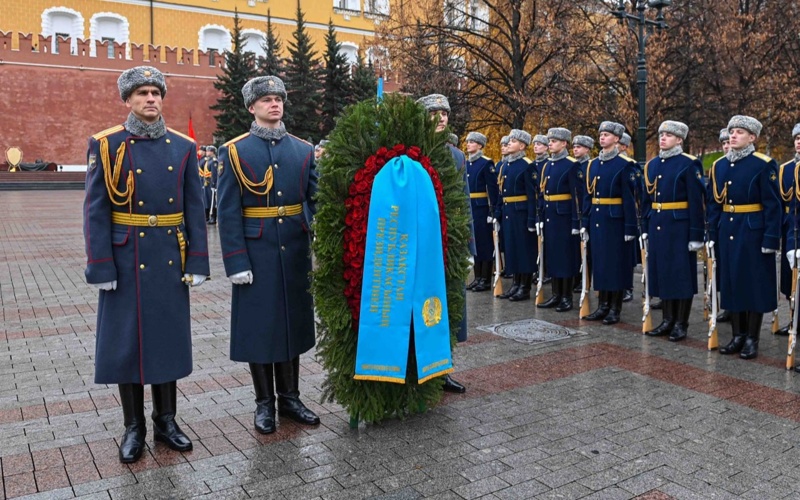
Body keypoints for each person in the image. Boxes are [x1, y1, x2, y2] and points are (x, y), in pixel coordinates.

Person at [83, 66, 209, 463]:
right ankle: (133, 426)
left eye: (156, 92)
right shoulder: (106, 145)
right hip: (126, 258)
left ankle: (166, 420)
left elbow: (194, 208)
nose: (150, 98)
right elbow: (96, 211)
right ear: (127, 100)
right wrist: (101, 265)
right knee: (127, 345)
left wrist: (199, 261)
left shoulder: (183, 146)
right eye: (142, 93)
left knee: (166, 341)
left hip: (169, 256)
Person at [217, 76, 320, 434]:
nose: (274, 104)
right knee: (261, 329)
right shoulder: (235, 151)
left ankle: (290, 398)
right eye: (266, 100)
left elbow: (316, 200)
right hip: (256, 252)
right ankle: (265, 404)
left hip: (293, 249)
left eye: (278, 99)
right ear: (252, 107)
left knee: (291, 325)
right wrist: (236, 261)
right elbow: (228, 211)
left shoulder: (302, 150)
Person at [707, 115, 781, 360]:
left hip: (752, 231)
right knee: (731, 282)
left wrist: (771, 239)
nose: (733, 135)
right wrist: (711, 234)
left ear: (752, 137)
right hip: (728, 230)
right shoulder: (719, 165)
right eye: (731, 131)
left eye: (739, 131)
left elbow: (773, 205)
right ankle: (737, 335)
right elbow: (714, 204)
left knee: (753, 284)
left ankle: (752, 338)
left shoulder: (763, 164)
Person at [416, 93, 472, 393]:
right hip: (420, 241)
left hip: (449, 242)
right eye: (434, 113)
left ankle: (444, 368)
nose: (441, 118)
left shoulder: (456, 156)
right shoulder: (412, 153)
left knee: (449, 305)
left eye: (445, 114)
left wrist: (470, 247)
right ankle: (417, 369)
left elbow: (464, 204)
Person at [641, 121, 705, 341]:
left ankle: (681, 323)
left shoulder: (689, 164)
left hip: (680, 227)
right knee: (663, 274)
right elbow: (646, 200)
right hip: (658, 224)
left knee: (680, 275)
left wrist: (696, 235)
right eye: (661, 135)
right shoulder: (653, 165)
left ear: (679, 140)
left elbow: (697, 202)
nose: (663, 138)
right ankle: (667, 320)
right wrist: (644, 228)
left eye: (669, 135)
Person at [581, 121, 637, 325]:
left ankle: (615, 308)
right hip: (597, 219)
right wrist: (585, 222)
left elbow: (629, 199)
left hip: (616, 220)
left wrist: (630, 226)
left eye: (606, 135)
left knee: (615, 264)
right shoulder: (593, 164)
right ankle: (602, 305)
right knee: (600, 264)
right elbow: (588, 195)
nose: (602, 138)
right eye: (601, 134)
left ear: (616, 139)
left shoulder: (625, 165)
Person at [536, 128, 580, 312]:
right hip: (550, 215)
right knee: (552, 255)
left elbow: (577, 196)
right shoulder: (547, 165)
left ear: (564, 143)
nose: (551, 143)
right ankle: (555, 294)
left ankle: (566, 296)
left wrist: (577, 222)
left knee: (565, 257)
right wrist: (540, 215)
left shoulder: (572, 165)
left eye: (554, 141)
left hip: (564, 217)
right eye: (550, 140)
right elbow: (542, 192)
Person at [494, 129, 538, 301]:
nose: (509, 143)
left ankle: (524, 287)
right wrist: (497, 214)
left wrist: (532, 219)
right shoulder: (505, 165)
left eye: (513, 141)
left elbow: (532, 195)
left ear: (522, 145)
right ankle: (515, 284)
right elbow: (500, 192)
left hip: (521, 213)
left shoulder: (528, 165)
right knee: (512, 249)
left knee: (524, 250)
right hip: (508, 212)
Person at [464, 132, 498, 292]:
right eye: (468, 142)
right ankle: (477, 277)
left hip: (482, 207)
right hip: (470, 206)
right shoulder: (466, 163)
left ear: (479, 145)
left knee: (484, 243)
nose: (468, 144)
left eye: (472, 142)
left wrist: (492, 211)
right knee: (474, 242)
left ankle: (485, 279)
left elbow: (492, 190)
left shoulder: (486, 163)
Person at [775, 123, 800, 335]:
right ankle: (793, 320)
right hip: (789, 230)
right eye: (797, 138)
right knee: (788, 279)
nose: (799, 141)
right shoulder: (785, 169)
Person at [572, 135, 594, 293]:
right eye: (574, 146)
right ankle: (576, 277)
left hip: (585, 210)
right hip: (574, 210)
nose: (575, 149)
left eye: (579, 147)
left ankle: (585, 278)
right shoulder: (572, 165)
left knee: (587, 249)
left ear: (587, 149)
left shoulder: (589, 166)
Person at [716, 128, 733, 323]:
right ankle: (727, 305)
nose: (727, 146)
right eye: (723, 143)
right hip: (723, 223)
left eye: (729, 141)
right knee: (723, 268)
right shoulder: (719, 167)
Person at [205, 146, 219, 225]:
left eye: (209, 151)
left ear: (213, 152)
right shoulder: (208, 161)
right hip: (207, 183)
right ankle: (210, 217)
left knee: (212, 202)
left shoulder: (214, 161)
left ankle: (213, 218)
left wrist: (214, 185)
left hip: (211, 184)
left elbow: (214, 174)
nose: (207, 152)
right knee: (208, 201)